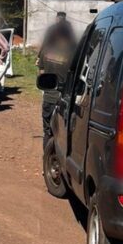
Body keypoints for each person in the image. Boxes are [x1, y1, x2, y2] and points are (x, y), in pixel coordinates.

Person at [37, 12, 76, 145]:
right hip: (65, 100)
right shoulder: (73, 54)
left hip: (49, 97)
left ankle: (48, 157)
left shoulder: (46, 50)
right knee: (64, 133)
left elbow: (41, 73)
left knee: (48, 131)